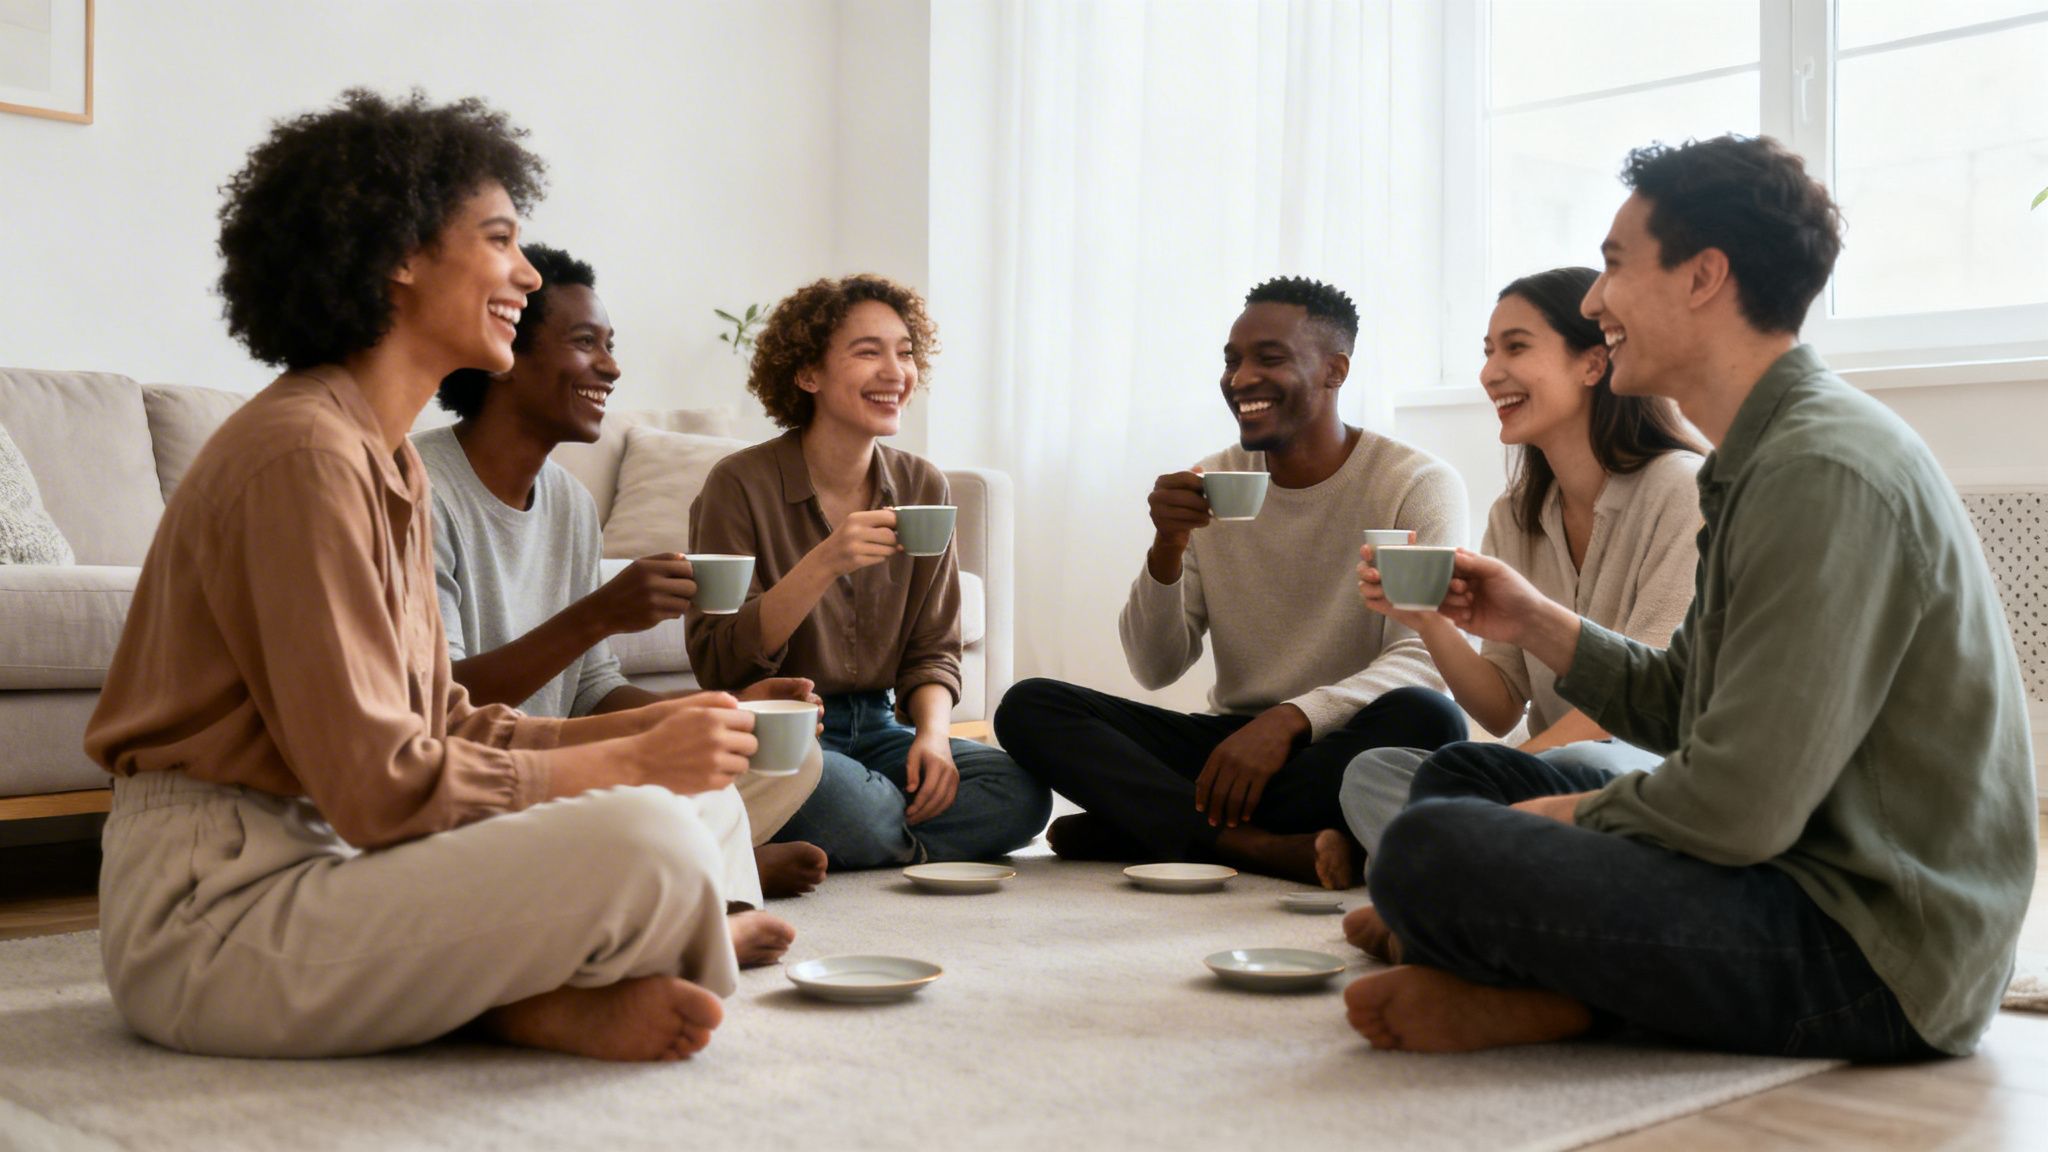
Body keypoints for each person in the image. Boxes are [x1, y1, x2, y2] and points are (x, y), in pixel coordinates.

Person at [84, 89, 793, 1062]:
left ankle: (546, 984)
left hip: (338, 864)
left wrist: (652, 727)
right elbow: (380, 789)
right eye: (499, 239)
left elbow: (440, 722)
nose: (526, 271)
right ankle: (561, 978)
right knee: (651, 838)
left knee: (694, 803)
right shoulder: (302, 454)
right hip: (219, 917)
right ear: (401, 256)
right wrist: (627, 764)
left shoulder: (388, 460)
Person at [1343, 135, 2034, 1060]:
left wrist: (1557, 821)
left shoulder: (1820, 468)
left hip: (1878, 952)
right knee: (1466, 786)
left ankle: (1569, 998)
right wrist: (1534, 621)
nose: (1595, 302)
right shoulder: (1762, 456)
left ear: (1704, 276)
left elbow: (1739, 807)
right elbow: (1685, 706)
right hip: (1794, 872)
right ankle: (1543, 981)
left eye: (1615, 266)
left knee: (1435, 852)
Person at [995, 277, 1470, 889]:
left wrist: (1291, 719)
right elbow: (1155, 665)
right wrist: (1167, 548)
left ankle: (1149, 825)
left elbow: (1426, 659)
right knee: (1031, 706)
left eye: (1268, 359)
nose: (1240, 378)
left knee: (1432, 718)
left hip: (1338, 738)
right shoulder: (1211, 481)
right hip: (1231, 744)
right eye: (1232, 360)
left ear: (1334, 371)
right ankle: (1251, 844)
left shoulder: (1415, 483)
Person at [417, 242, 829, 898]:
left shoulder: (571, 504)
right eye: (586, 342)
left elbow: (592, 691)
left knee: (785, 756)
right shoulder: (419, 493)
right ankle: (707, 865)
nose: (610, 368)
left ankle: (688, 862)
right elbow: (439, 710)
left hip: (568, 775)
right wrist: (600, 613)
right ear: (502, 354)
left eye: (610, 345)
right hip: (474, 783)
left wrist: (718, 708)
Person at [686, 274, 1052, 869]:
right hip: (790, 738)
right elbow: (718, 661)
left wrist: (934, 737)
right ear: (807, 375)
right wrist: (825, 562)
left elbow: (935, 645)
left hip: (883, 728)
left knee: (1023, 793)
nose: (896, 372)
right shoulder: (738, 485)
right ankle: (866, 827)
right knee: (841, 799)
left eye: (904, 352)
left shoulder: (921, 486)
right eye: (867, 352)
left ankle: (854, 836)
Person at [1338, 266, 1705, 858]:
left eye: (1515, 347)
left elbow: (1644, 701)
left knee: (1577, 760)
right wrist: (1428, 620)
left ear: (1593, 363)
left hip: (1652, 769)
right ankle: (1486, 852)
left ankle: (1452, 852)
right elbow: (1501, 703)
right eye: (1487, 352)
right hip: (1540, 777)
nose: (1489, 373)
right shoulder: (1515, 515)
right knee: (1373, 772)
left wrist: (1498, 771)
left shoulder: (1682, 488)